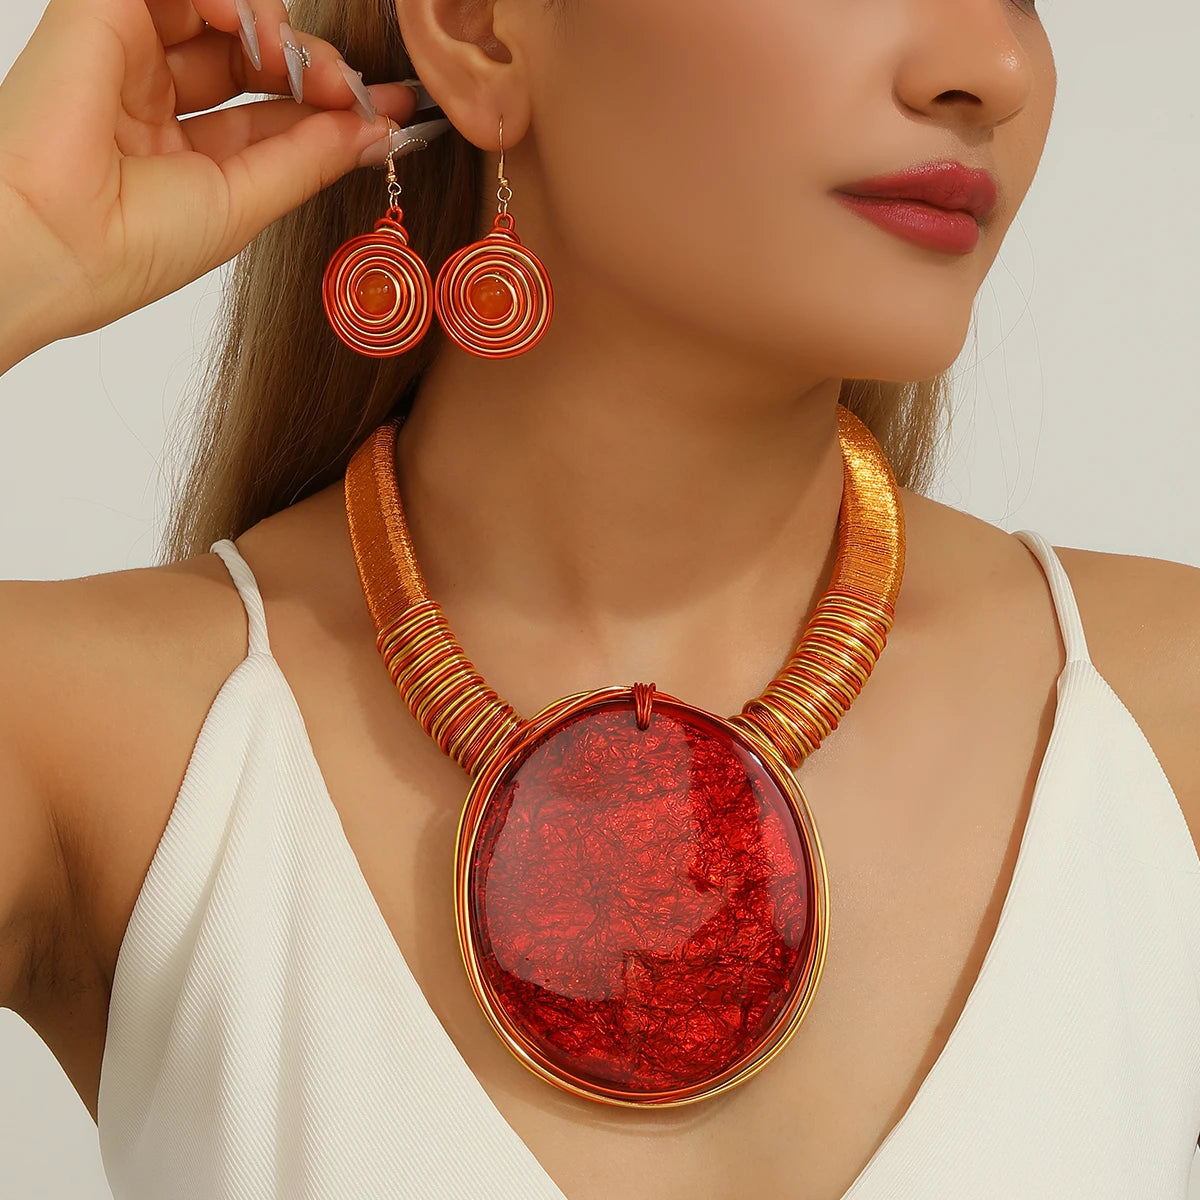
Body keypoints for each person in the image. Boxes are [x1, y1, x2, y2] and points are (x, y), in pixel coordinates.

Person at [1, 0, 1198, 1195]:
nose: (992, 67)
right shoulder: (86, 737)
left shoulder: (1167, 715)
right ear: (478, 30)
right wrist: (15, 246)